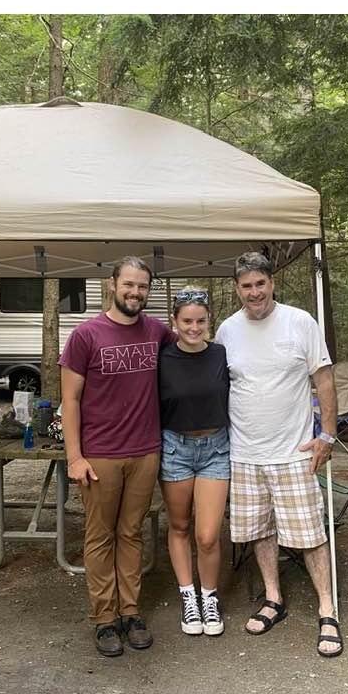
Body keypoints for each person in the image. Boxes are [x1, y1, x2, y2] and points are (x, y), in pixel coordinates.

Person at [215, 251, 343, 658]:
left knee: (310, 534)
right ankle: (273, 598)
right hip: (245, 452)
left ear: (272, 283)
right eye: (246, 286)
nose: (254, 292)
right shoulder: (227, 330)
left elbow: (324, 380)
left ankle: (327, 609)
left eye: (260, 283)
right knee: (260, 531)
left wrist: (327, 435)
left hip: (294, 451)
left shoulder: (300, 322)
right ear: (237, 288)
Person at [60, 256, 176, 657]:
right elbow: (70, 400)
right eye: (128, 284)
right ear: (112, 284)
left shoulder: (157, 332)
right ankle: (104, 618)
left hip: (145, 451)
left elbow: (189, 349)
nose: (135, 292)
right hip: (100, 455)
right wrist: (75, 457)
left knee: (131, 533)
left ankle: (130, 611)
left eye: (142, 286)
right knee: (100, 536)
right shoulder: (86, 335)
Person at [158, 288, 230, 637]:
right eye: (187, 320)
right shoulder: (163, 358)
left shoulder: (220, 355)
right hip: (175, 448)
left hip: (216, 448)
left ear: (209, 321)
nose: (193, 327)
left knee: (208, 535)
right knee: (180, 526)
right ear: (174, 321)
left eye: (200, 320)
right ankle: (188, 595)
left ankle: (209, 596)